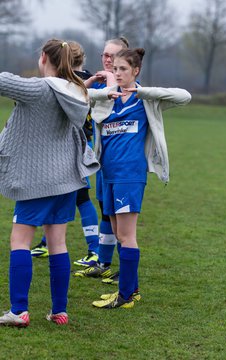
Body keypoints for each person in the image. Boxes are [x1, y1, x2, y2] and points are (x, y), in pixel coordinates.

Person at [0, 38, 99, 326]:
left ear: (44, 57)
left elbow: (3, 81)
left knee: (19, 240)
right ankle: (60, 312)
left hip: (36, 180)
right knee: (58, 244)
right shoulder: (77, 90)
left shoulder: (41, 88)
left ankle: (18, 311)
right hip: (67, 180)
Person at [88, 47, 192, 309]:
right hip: (107, 174)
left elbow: (184, 96)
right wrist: (100, 89)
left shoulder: (144, 100)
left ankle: (125, 296)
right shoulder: (107, 98)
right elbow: (78, 96)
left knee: (126, 235)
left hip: (129, 175)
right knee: (116, 231)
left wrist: (142, 91)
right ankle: (130, 290)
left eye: (123, 69)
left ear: (136, 71)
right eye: (115, 69)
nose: (118, 73)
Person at [31, 42, 100, 268]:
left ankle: (94, 249)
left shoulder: (67, 82)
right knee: (66, 195)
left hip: (71, 144)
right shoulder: (87, 78)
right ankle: (46, 242)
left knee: (75, 197)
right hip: (80, 143)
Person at [73, 37, 129, 284]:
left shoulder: (130, 91)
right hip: (103, 163)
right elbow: (75, 96)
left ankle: (124, 276)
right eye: (104, 55)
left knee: (119, 218)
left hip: (125, 168)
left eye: (112, 56)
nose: (106, 60)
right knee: (106, 211)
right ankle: (103, 263)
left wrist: (109, 81)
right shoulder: (99, 89)